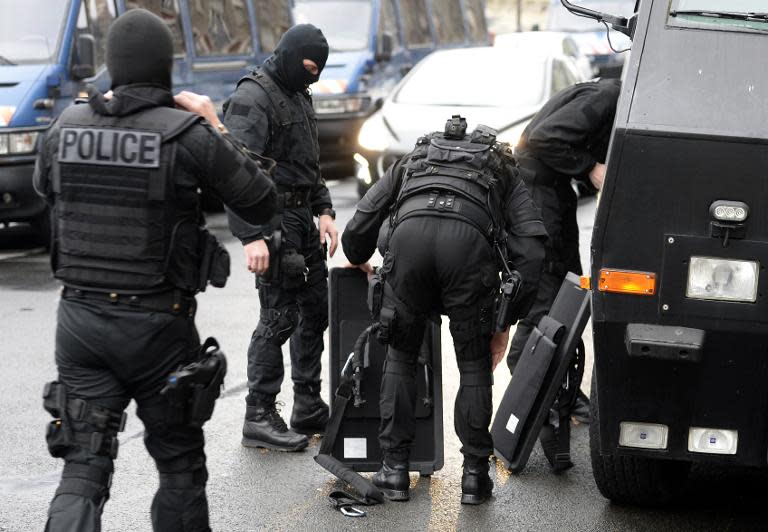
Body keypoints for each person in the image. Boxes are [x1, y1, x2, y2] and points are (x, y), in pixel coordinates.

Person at [34, 9, 277, 531]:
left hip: (79, 324)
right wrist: (214, 123)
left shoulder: (64, 128)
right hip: (158, 329)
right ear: (166, 66)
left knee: (83, 468)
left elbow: (41, 187)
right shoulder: (186, 134)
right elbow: (260, 203)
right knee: (180, 468)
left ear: (111, 66)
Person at [342, 117, 547, 505]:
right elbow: (533, 250)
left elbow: (361, 222)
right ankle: (473, 477)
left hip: (409, 247)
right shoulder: (499, 165)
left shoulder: (415, 158)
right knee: (473, 366)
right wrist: (505, 321)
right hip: (468, 255)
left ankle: (395, 470)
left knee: (400, 358)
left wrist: (357, 255)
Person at [223, 24, 338, 452]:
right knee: (278, 317)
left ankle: (307, 404)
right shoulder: (253, 97)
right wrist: (253, 236)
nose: (314, 77)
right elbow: (236, 172)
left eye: (319, 71)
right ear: (291, 57)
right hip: (271, 220)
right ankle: (258, 413)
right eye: (309, 67)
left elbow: (307, 163)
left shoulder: (297, 92)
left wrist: (324, 210)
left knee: (314, 311)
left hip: (302, 219)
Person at [506, 79, 621, 423]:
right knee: (550, 288)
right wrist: (590, 168)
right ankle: (530, 368)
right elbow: (543, 137)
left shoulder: (608, 98)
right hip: (538, 198)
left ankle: (562, 391)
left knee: (570, 287)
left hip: (553, 194)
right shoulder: (607, 98)